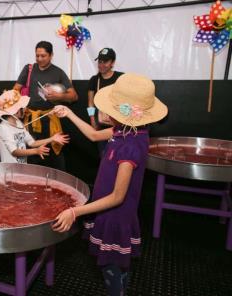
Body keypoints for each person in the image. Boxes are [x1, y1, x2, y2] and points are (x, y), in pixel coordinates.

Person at [52, 73, 168, 296]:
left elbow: (117, 197)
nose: (103, 111)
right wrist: (68, 114)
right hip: (106, 211)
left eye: (109, 108)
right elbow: (95, 135)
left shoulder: (130, 147)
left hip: (116, 216)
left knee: (112, 269)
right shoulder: (127, 130)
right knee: (117, 266)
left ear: (123, 114)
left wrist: (75, 211)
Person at [13, 41, 78, 171]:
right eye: (37, 55)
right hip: (30, 119)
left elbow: (74, 96)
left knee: (53, 154)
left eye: (43, 56)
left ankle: (57, 184)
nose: (39, 59)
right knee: (31, 153)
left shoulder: (58, 72)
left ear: (51, 55)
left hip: (50, 119)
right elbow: (16, 89)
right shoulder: (29, 69)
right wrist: (14, 102)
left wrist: (59, 96)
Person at [0, 90, 69, 163]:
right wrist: (36, 151)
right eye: (22, 107)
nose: (25, 108)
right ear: (16, 111)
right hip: (10, 170)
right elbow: (14, 151)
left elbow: (32, 143)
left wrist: (52, 138)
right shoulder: (4, 128)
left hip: (22, 168)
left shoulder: (18, 123)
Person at [87, 48, 123, 156]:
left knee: (119, 155)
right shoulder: (94, 80)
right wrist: (92, 120)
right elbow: (90, 103)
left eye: (105, 62)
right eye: (100, 62)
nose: (102, 65)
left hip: (119, 125)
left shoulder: (120, 78)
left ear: (112, 62)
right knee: (104, 156)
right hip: (102, 126)